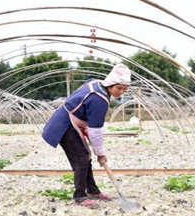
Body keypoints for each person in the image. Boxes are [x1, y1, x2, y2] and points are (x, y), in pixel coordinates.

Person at [41, 63, 131, 207]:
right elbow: (96, 132)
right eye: (118, 88)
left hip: (71, 121)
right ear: (110, 84)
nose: (121, 92)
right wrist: (100, 154)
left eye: (124, 89)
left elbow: (84, 108)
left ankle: (93, 191)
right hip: (64, 124)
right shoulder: (99, 100)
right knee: (81, 158)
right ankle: (80, 196)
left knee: (85, 156)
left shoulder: (96, 83)